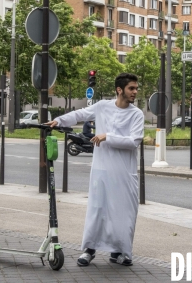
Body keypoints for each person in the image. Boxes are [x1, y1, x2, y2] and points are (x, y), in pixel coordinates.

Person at [47, 73, 143, 267]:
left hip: (125, 172)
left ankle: (120, 252)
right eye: (131, 88)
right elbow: (80, 114)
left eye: (136, 88)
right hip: (102, 169)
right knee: (97, 209)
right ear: (119, 90)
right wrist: (59, 120)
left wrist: (108, 136)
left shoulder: (137, 114)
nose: (135, 92)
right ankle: (89, 250)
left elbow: (134, 141)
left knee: (124, 213)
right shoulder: (102, 106)